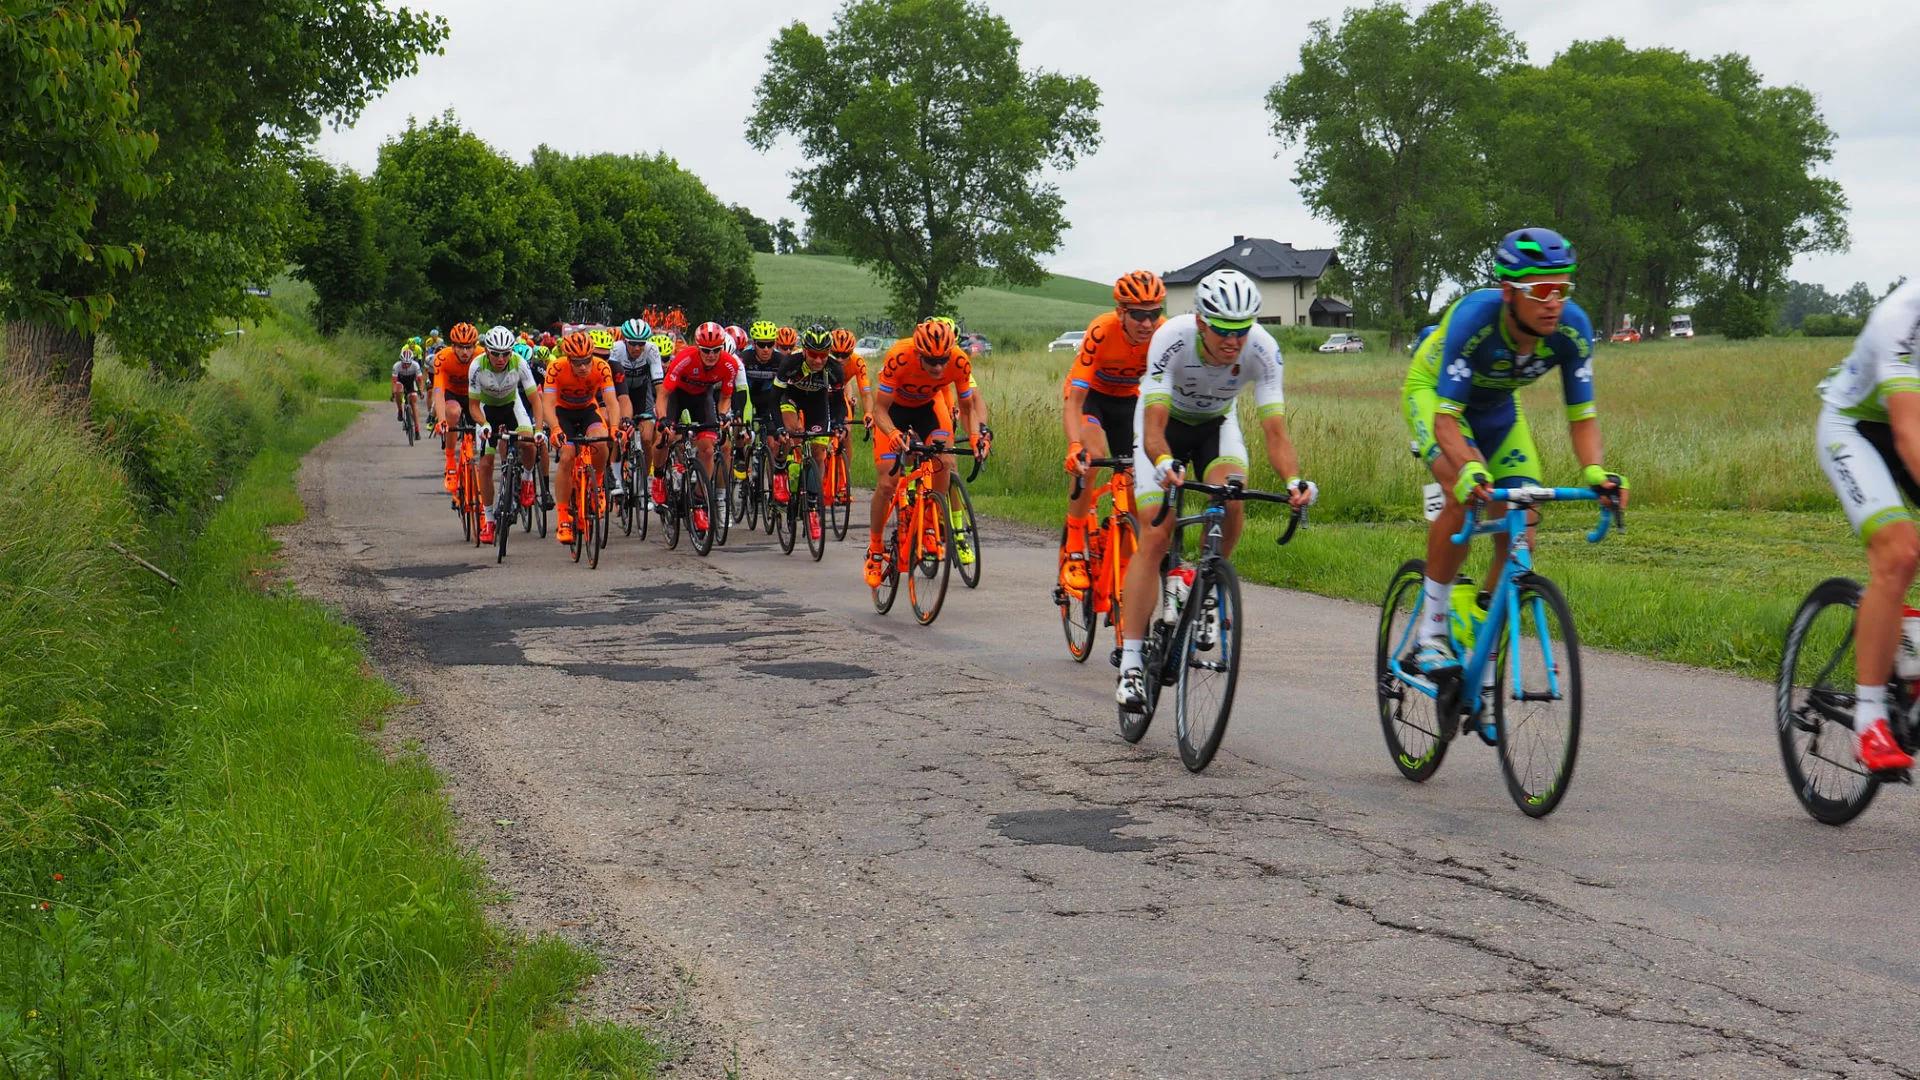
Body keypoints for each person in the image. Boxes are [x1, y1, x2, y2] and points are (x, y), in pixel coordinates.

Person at [1400, 227, 1625, 679]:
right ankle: (1432, 630)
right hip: (1437, 400)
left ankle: (1483, 617)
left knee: (1526, 510)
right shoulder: (1475, 319)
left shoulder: (1573, 329)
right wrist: (1466, 468)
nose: (1553, 302)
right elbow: (1447, 421)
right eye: (1542, 289)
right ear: (1508, 291)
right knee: (1465, 492)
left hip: (1499, 408)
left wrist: (1597, 473)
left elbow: (1581, 417)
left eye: (1562, 289)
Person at [1115, 268, 1317, 709]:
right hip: (1164, 429)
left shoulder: (1262, 350)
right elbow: (1153, 427)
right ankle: (1131, 662)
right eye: (1224, 330)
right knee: (1155, 533)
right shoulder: (1171, 338)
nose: (1234, 341)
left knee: (1232, 499)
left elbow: (1276, 433)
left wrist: (1293, 481)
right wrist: (1165, 462)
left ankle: (1206, 585)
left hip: (1217, 427)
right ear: (1202, 322)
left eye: (1242, 330)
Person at [1816, 278, 1920, 771]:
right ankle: (1871, 718)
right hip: (1858, 429)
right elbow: (1907, 433)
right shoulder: (1902, 316)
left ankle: (1910, 646)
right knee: (1898, 553)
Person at [864, 319, 991, 588]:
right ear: (919, 354)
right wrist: (894, 434)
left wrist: (977, 438)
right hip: (894, 410)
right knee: (888, 483)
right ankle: (875, 549)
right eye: (931, 361)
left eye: (942, 360)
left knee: (945, 459)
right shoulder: (899, 356)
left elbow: (967, 410)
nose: (937, 367)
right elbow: (880, 410)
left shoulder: (958, 360)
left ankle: (932, 523)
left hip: (928, 409)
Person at [1060, 270, 1166, 593]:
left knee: (1134, 482)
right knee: (1093, 459)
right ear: (1121, 312)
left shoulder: (1163, 335)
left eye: (1153, 313)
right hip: (1091, 398)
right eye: (1137, 314)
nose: (1147, 323)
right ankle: (1075, 548)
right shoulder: (1101, 331)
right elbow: (1075, 400)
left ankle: (1122, 560)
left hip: (1127, 402)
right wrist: (1074, 445)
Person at [651, 321, 747, 528]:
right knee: (664, 437)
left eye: (715, 350)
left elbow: (725, 397)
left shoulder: (729, 364)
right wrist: (662, 420)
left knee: (708, 449)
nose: (711, 355)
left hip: (703, 397)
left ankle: (700, 502)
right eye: (705, 350)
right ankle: (658, 476)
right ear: (697, 346)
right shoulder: (685, 359)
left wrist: (722, 416)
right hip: (677, 396)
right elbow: (664, 394)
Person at [540, 331, 620, 546]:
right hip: (562, 413)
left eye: (587, 361)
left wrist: (614, 427)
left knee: (601, 440)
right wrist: (555, 428)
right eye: (577, 362)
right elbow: (547, 404)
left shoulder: (602, 367)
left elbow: (611, 402)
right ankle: (563, 517)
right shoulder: (556, 368)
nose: (583, 366)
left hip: (587, 411)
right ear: (568, 359)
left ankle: (600, 484)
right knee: (567, 455)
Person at [465, 326, 541, 544]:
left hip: (512, 406)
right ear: (487, 351)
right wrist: (484, 424)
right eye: (496, 353)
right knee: (486, 464)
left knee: (528, 443)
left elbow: (535, 400)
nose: (501, 358)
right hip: (486, 410)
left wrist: (538, 430)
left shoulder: (519, 362)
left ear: (511, 352)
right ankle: (488, 520)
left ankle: (526, 480)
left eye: (505, 353)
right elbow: (472, 406)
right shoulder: (477, 366)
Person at [775, 325, 845, 542]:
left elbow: (839, 402)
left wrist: (838, 423)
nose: (817, 360)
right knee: (793, 433)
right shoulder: (790, 363)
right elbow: (774, 397)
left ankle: (813, 508)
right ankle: (781, 470)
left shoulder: (834, 369)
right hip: (792, 398)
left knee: (819, 452)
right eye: (813, 355)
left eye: (823, 355)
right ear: (804, 350)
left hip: (817, 403)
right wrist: (778, 428)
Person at [432, 322, 482, 495]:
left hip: (474, 395)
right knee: (453, 412)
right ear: (452, 346)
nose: (465, 352)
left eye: (469, 347)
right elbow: (438, 391)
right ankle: (450, 460)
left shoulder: (482, 355)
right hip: (452, 394)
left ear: (475, 346)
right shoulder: (442, 357)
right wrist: (441, 421)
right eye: (460, 347)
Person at [393, 347, 423, 427]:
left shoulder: (415, 365)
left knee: (414, 402)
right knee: (397, 391)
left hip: (411, 381)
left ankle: (417, 428)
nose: (406, 365)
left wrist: (421, 391)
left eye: (408, 363)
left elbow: (420, 380)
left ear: (412, 361)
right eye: (404, 363)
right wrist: (393, 393)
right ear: (401, 361)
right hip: (401, 380)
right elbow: (394, 382)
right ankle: (400, 410)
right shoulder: (396, 366)